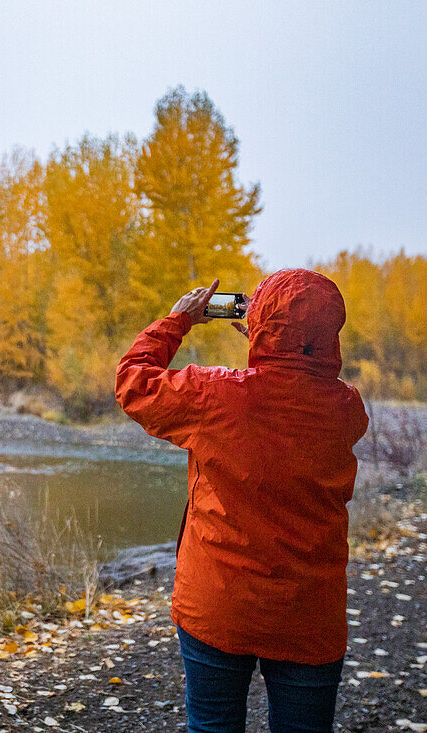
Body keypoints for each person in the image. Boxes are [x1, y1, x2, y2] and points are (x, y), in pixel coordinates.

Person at [115, 269, 369, 733]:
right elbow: (303, 388)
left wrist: (177, 321)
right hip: (307, 611)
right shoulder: (347, 409)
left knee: (212, 726)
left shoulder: (216, 395)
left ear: (260, 323)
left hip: (218, 602)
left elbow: (134, 383)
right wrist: (283, 350)